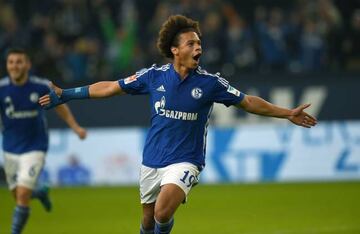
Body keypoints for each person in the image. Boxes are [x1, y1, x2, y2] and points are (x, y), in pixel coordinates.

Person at [39, 15, 317, 234]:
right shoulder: (153, 76)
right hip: (152, 159)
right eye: (191, 44)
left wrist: (286, 113)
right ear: (175, 50)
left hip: (186, 160)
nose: (198, 48)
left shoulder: (210, 84)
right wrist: (66, 94)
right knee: (148, 222)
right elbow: (111, 87)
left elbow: (248, 102)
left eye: (199, 44)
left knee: (162, 212)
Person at [0, 48, 87, 234]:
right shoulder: (2, 89)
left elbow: (59, 106)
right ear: (7, 66)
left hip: (35, 146)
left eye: (19, 62)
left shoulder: (39, 86)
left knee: (23, 194)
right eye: (11, 62)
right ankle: (40, 193)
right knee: (18, 195)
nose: (15, 66)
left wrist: (75, 126)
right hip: (10, 147)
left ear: (27, 65)